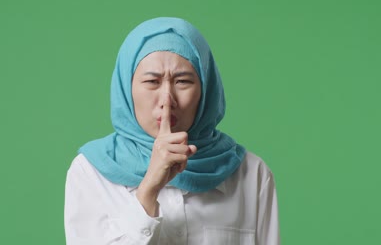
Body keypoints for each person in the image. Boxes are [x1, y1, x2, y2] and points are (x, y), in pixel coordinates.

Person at [64, 17, 280, 244]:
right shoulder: (90, 172)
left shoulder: (251, 173)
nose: (167, 100)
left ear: (206, 90)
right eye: (152, 82)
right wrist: (148, 189)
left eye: (183, 81)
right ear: (127, 89)